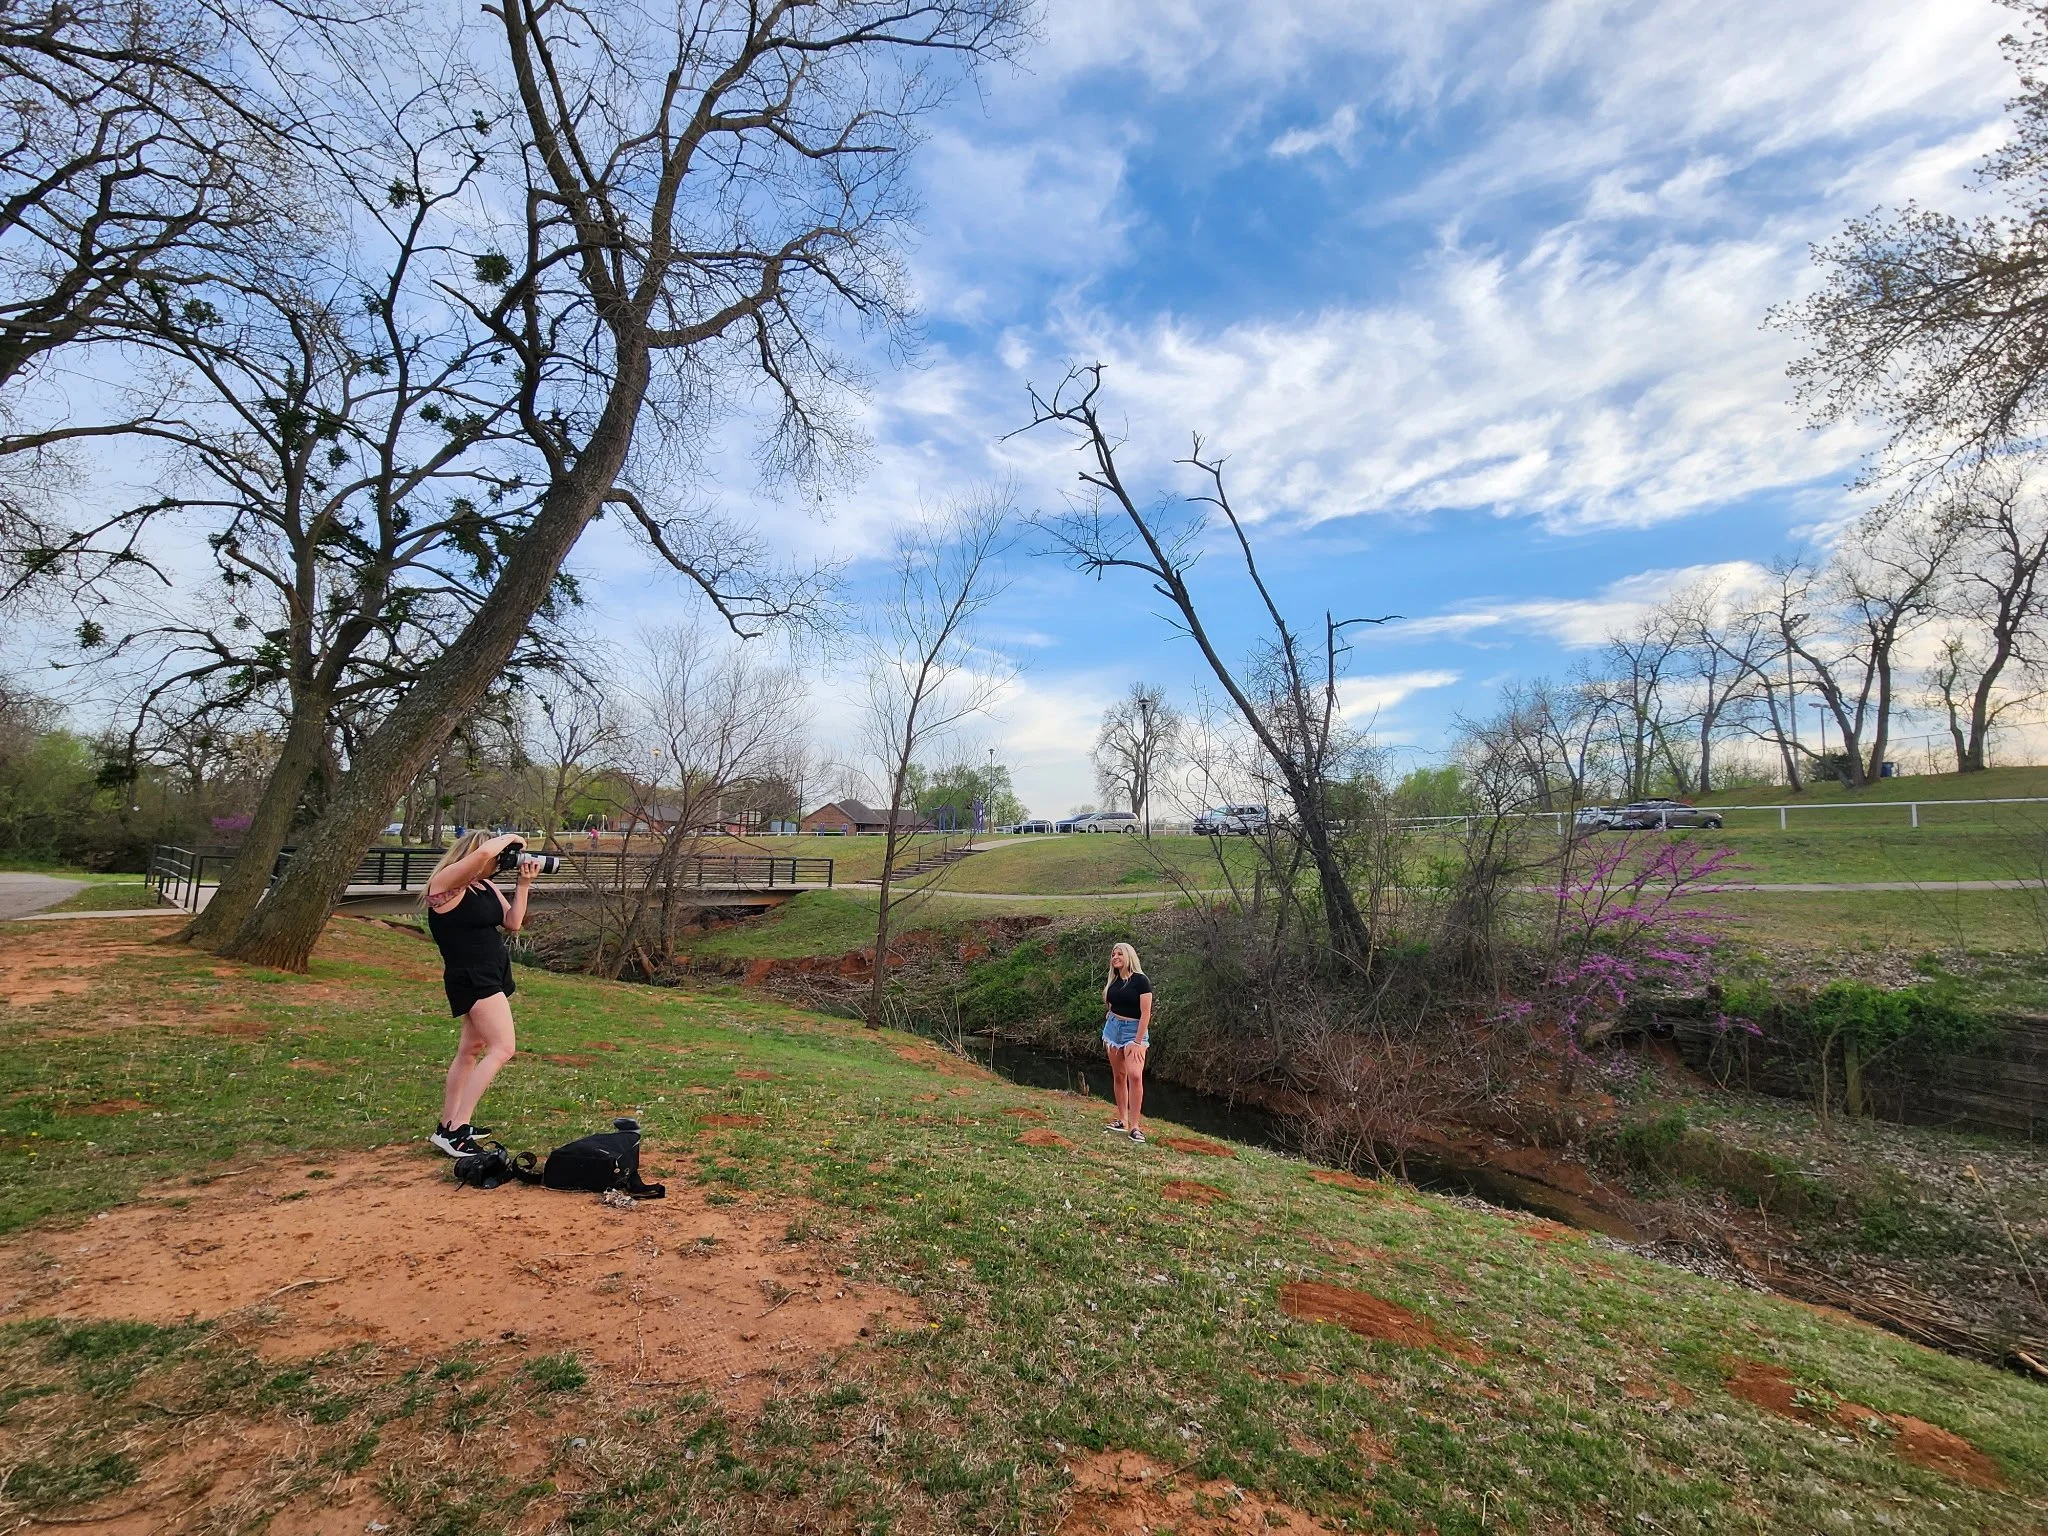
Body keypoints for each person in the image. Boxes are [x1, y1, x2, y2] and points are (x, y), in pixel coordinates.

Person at [422, 829, 535, 1156]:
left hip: (492, 972)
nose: (500, 864)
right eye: (499, 858)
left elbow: (513, 922)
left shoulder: (484, 885)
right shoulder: (443, 886)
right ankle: (458, 1130)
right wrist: (511, 839)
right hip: (471, 976)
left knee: (471, 1049)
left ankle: (447, 1125)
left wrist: (523, 885)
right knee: (503, 1047)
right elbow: (483, 856)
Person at [1101, 941, 1152, 1143]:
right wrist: (1111, 1014)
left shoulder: (1141, 981)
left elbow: (1146, 1012)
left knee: (1135, 1076)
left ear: (1129, 956)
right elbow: (1113, 1001)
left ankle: (1135, 1126)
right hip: (1113, 1029)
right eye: (1113, 955)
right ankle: (1122, 1120)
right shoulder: (1113, 980)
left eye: (1119, 954)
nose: (1115, 958)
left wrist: (1138, 1042)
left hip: (1135, 1031)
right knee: (1119, 1075)